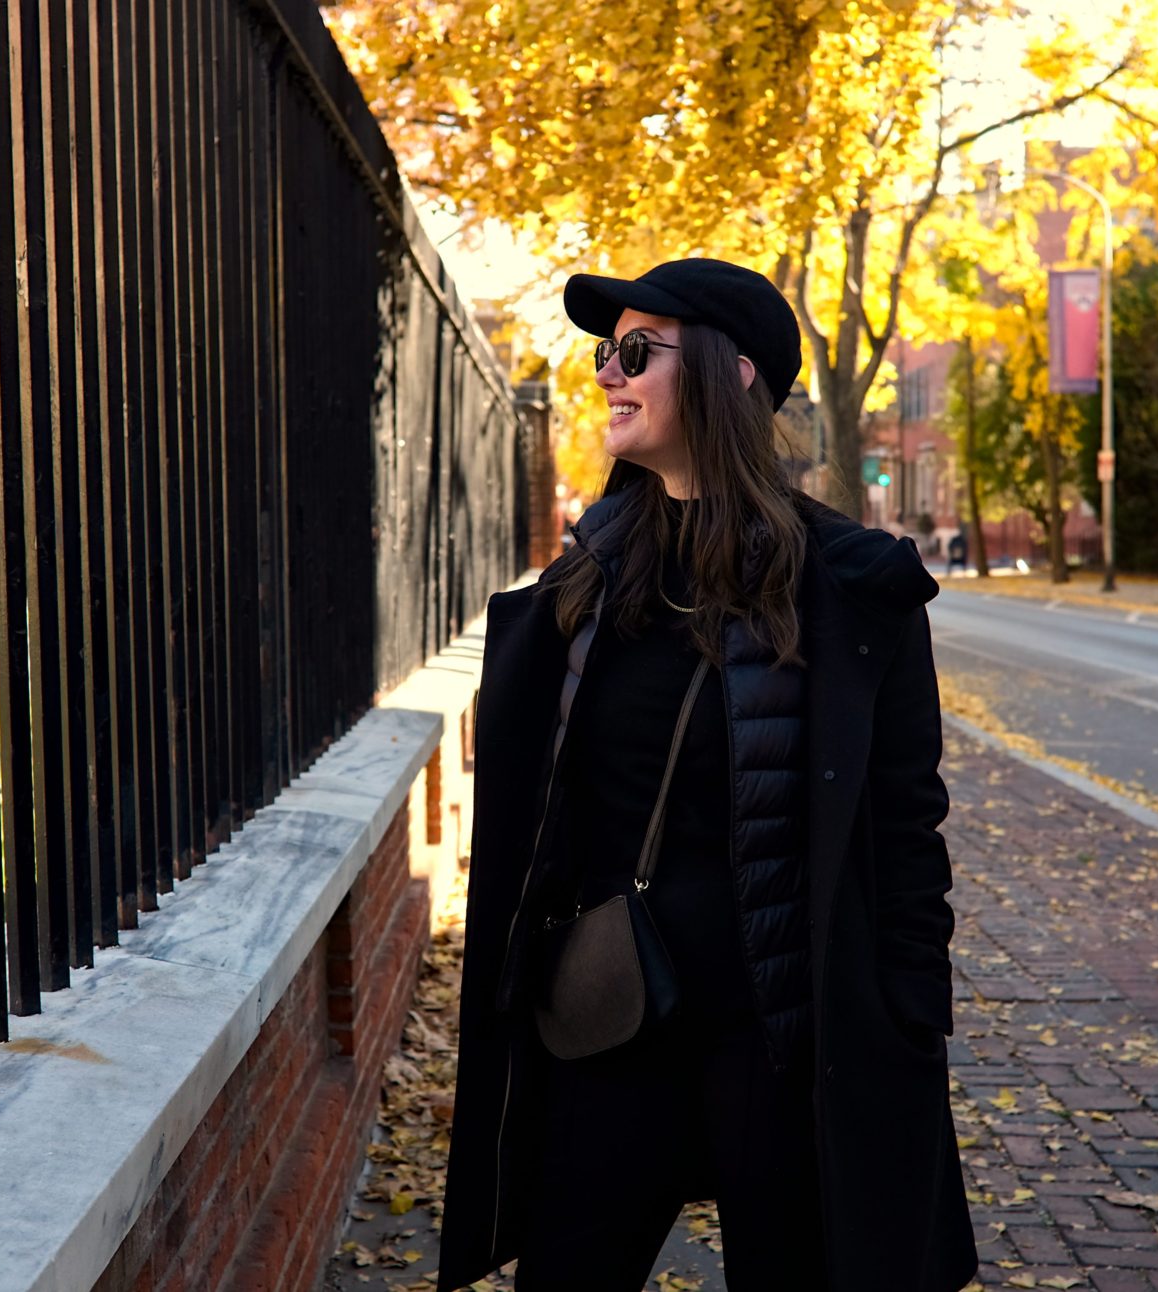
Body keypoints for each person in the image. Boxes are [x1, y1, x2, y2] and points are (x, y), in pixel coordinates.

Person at [437, 259, 976, 1292]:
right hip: (610, 1023)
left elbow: (908, 830)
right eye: (605, 352)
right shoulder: (586, 581)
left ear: (731, 376)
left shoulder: (850, 592)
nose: (608, 374)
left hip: (780, 1044)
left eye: (638, 351)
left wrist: (909, 1019)